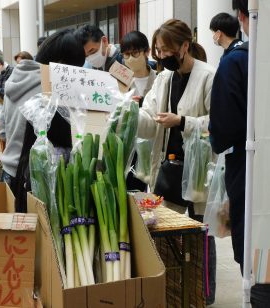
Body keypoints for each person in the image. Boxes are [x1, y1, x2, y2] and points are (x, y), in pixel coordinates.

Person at [137, 19, 216, 304]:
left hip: (196, 170)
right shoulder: (163, 79)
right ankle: (170, 288)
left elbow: (217, 123)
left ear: (185, 46)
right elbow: (148, 120)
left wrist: (182, 121)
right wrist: (129, 114)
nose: (162, 56)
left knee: (200, 234)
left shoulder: (208, 76)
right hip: (167, 167)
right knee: (163, 230)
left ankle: (204, 293)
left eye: (167, 50)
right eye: (158, 51)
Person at [209, 1, 270, 306]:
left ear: (243, 17)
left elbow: (222, 126)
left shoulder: (236, 62)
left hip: (251, 167)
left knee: (256, 251)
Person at [0, 28, 85, 212]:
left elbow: (3, 131)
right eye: (74, 68)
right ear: (62, 64)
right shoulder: (49, 87)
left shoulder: (15, 79)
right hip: (31, 178)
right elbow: (66, 136)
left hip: (8, 171)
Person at [120, 30, 157, 192]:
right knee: (133, 193)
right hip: (128, 148)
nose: (130, 58)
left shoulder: (159, 79)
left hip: (153, 144)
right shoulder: (120, 82)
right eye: (126, 54)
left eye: (135, 53)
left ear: (147, 52)